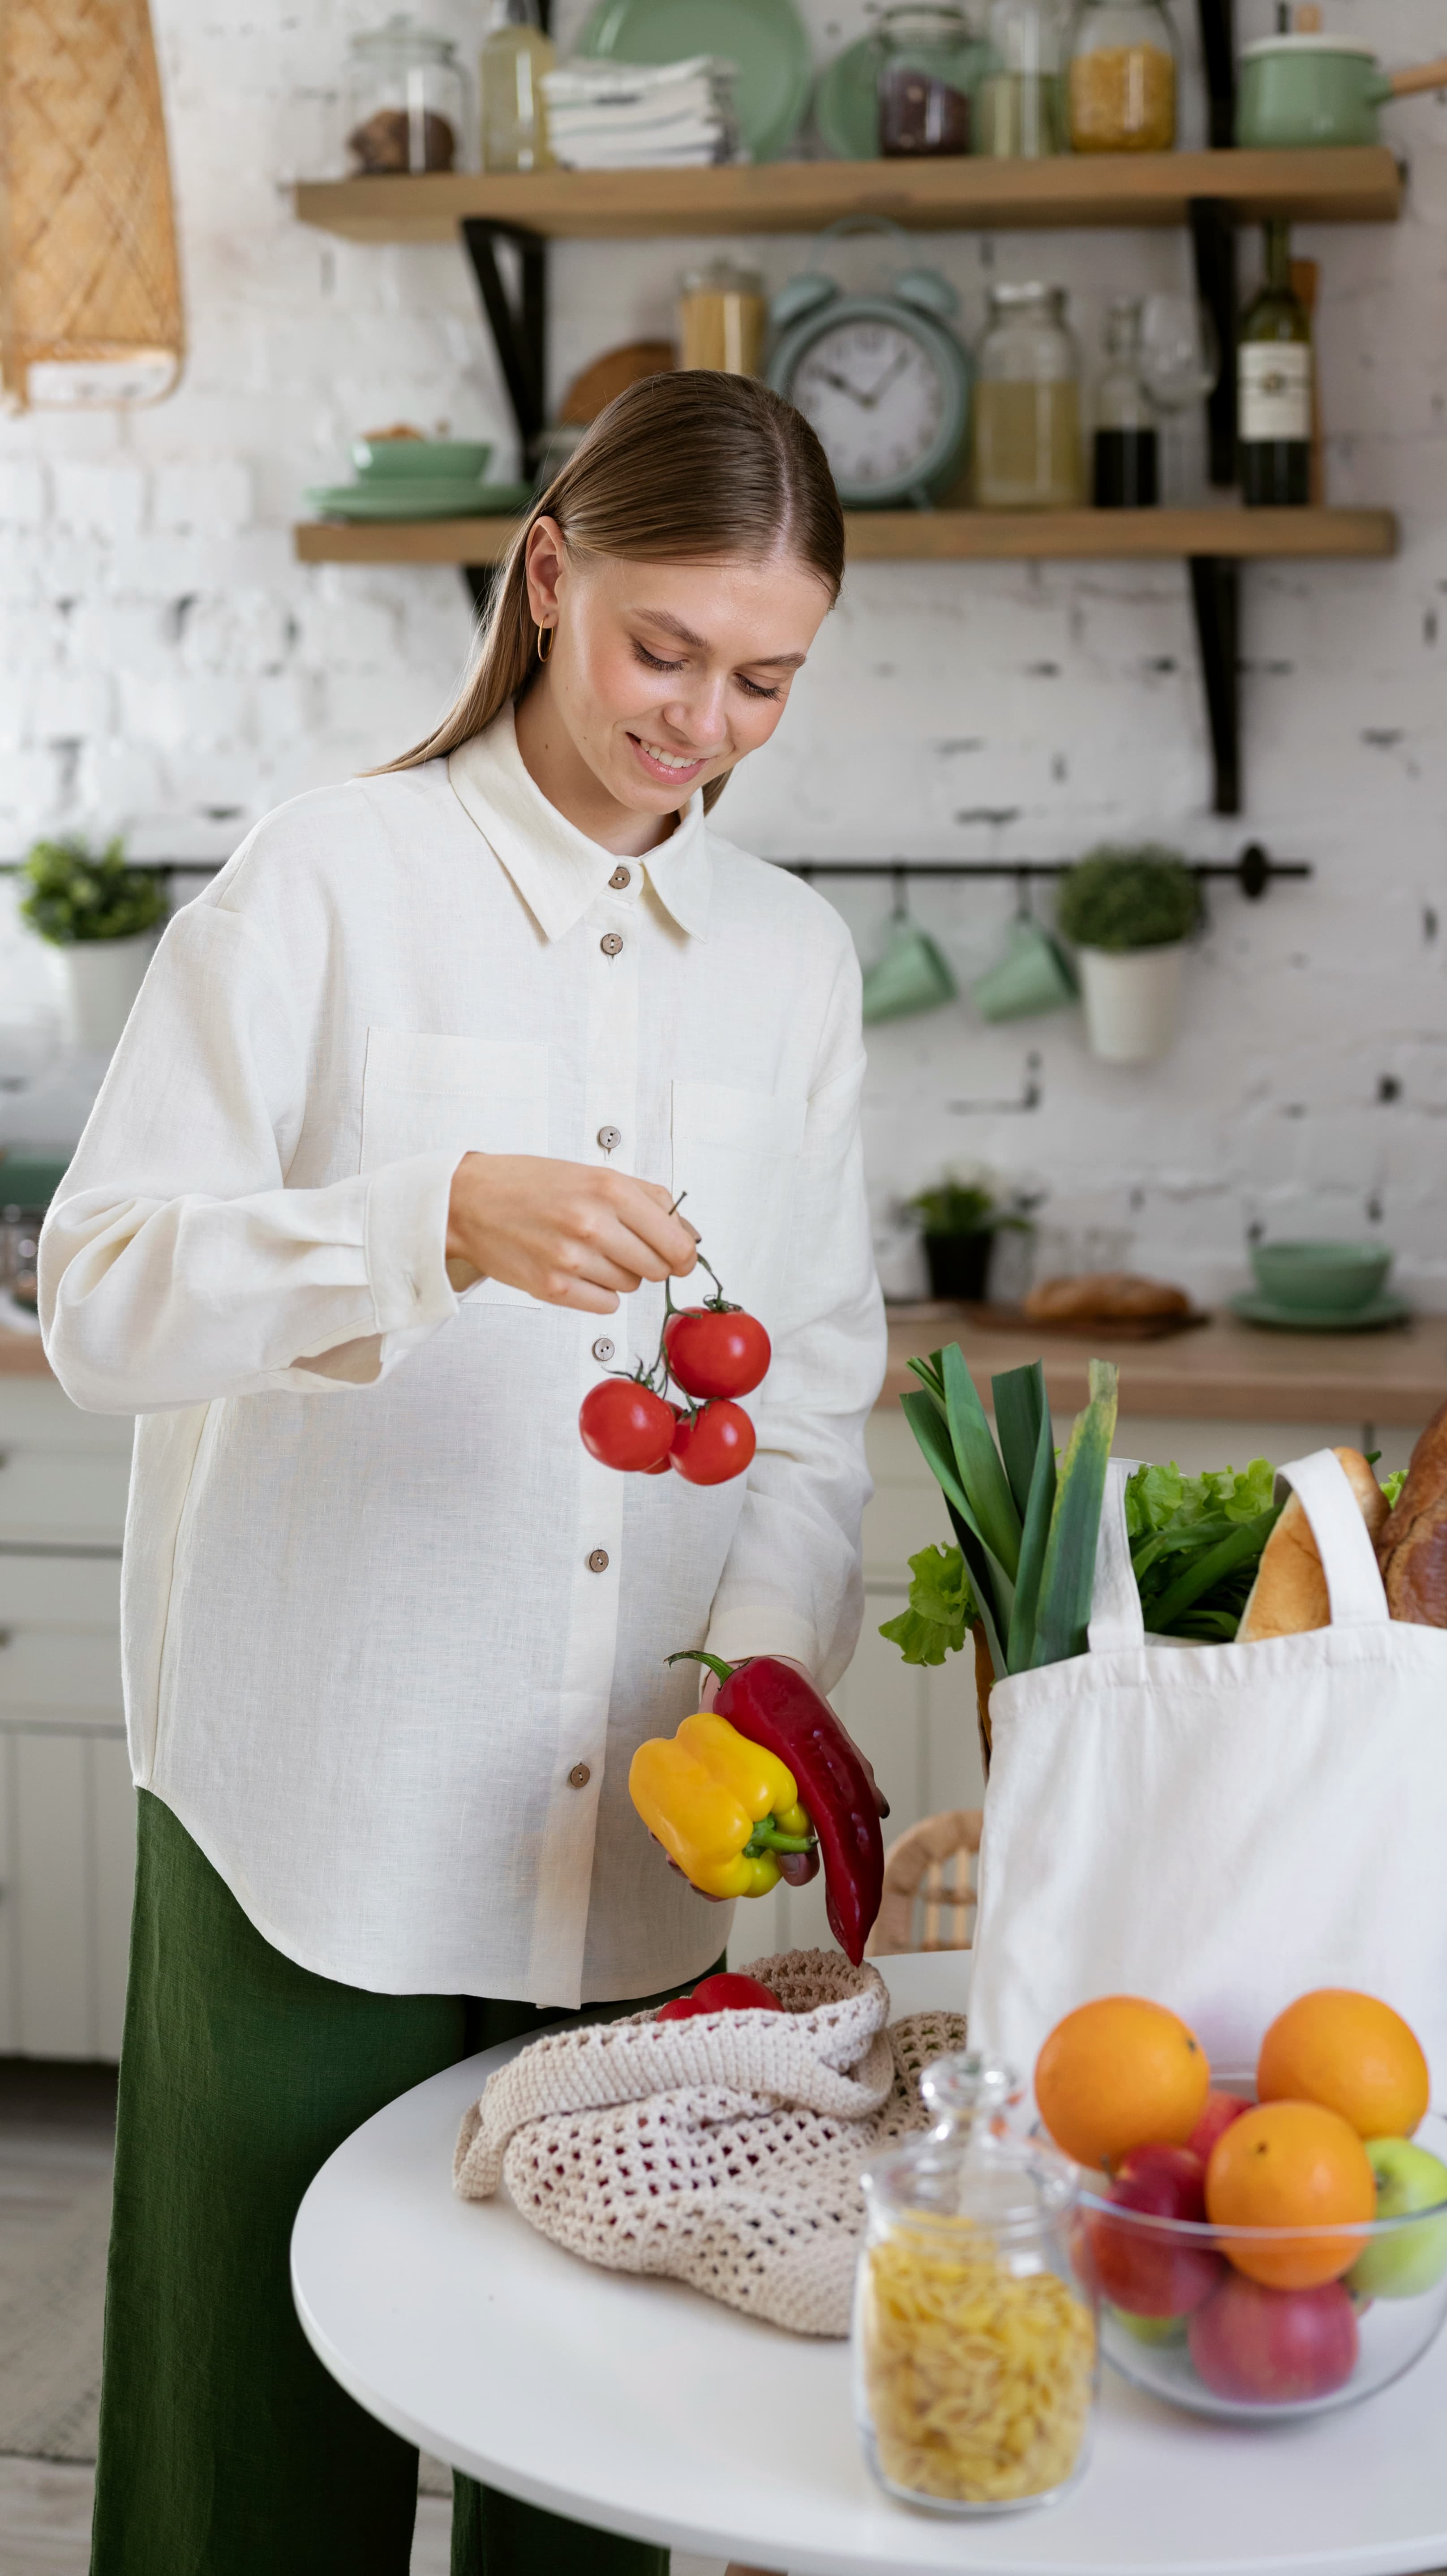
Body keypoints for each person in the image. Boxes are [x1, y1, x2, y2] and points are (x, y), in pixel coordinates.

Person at [40, 371, 885, 2576]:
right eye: (661, 650)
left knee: (593, 2470)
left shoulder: (792, 962)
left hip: (640, 1847)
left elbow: (808, 1399)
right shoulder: (335, 871)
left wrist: (761, 1683)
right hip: (310, 1815)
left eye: (765, 676)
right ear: (546, 577)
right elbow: (106, 1297)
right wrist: (423, 1220)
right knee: (249, 2472)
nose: (700, 718)